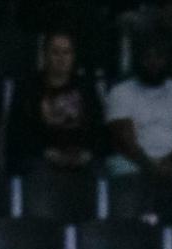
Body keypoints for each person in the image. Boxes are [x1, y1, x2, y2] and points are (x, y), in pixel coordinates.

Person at [105, 39, 172, 178]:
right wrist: (150, 166)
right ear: (138, 60)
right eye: (148, 57)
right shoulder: (120, 92)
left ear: (167, 60)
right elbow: (124, 140)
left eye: (159, 57)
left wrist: (170, 163)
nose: (153, 62)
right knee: (122, 171)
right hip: (132, 161)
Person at [7, 29, 103, 170]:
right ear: (45, 55)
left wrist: (87, 153)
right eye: (55, 52)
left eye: (66, 52)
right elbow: (18, 131)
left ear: (73, 56)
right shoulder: (28, 87)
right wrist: (46, 153)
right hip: (42, 157)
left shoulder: (86, 87)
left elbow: (97, 127)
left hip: (81, 157)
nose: (61, 58)